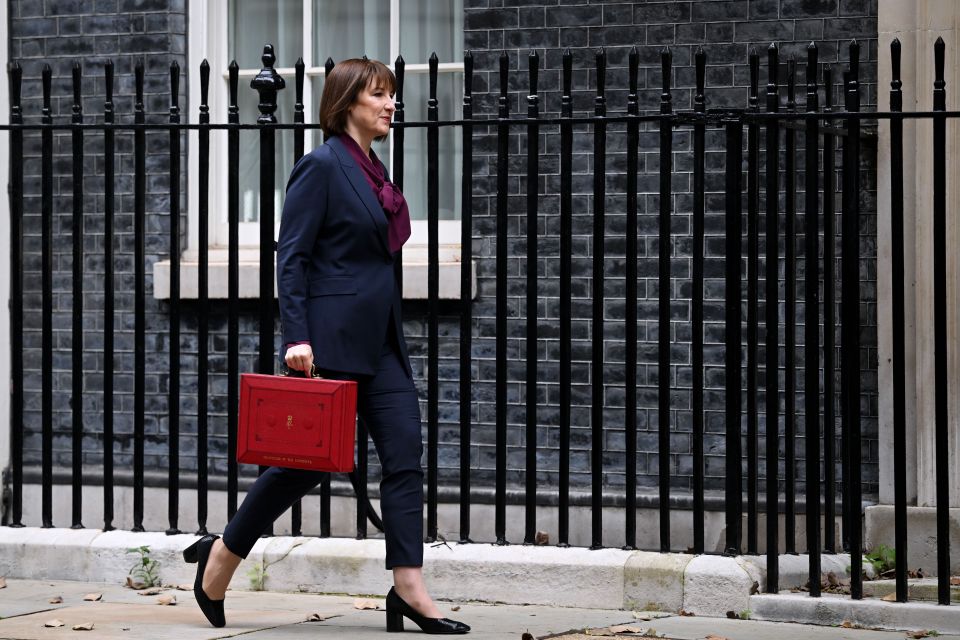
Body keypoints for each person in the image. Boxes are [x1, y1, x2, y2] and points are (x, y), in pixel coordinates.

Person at [182, 58, 469, 635]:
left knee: (404, 456)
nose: (392, 104)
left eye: (393, 95)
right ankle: (222, 556)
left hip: (382, 342)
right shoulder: (321, 167)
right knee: (297, 468)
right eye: (380, 95)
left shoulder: (372, 170)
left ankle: (408, 587)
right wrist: (297, 338)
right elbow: (293, 258)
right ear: (347, 104)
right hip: (330, 343)